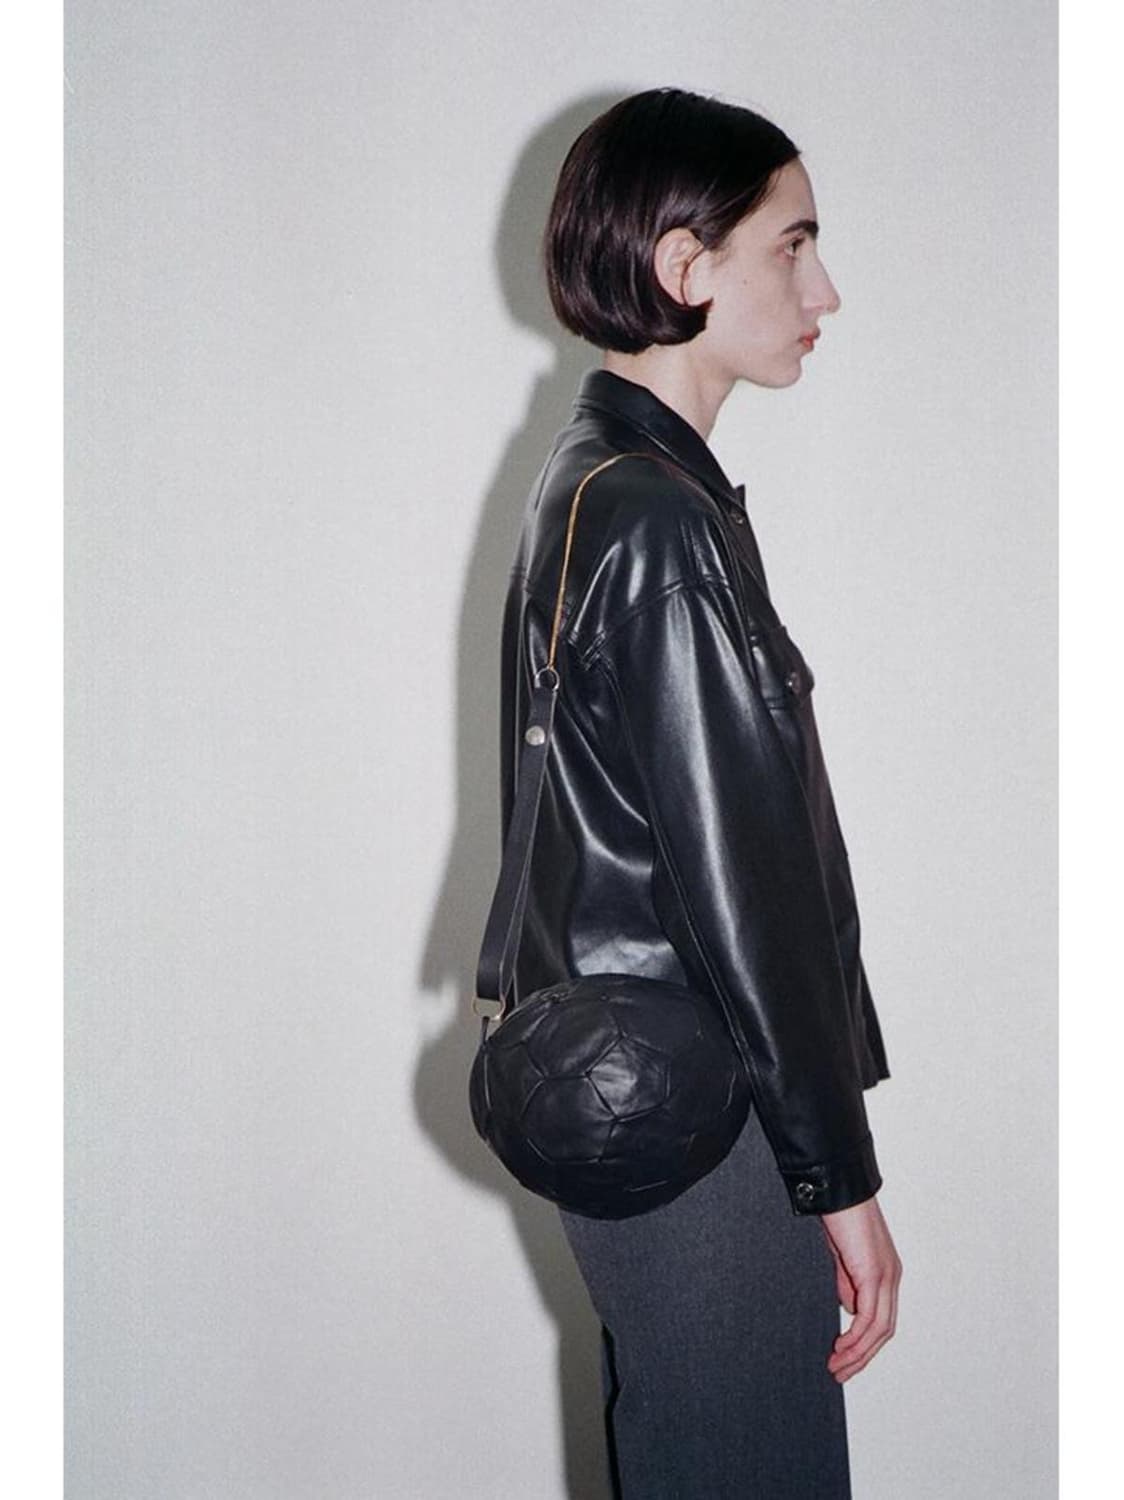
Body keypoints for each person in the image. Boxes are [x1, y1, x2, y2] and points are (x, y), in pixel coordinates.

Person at [497, 87, 902, 1498]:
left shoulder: (598, 483)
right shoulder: (656, 516)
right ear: (685, 265)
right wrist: (840, 1178)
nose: (822, 290)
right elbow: (747, 893)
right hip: (711, 1122)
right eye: (793, 245)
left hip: (644, 1103)